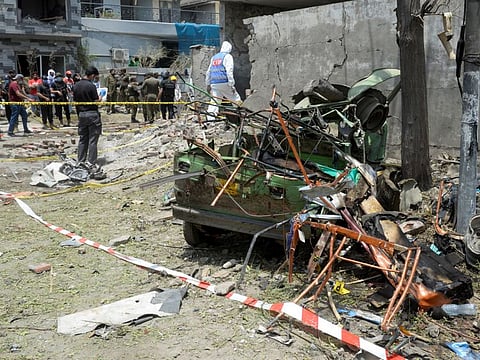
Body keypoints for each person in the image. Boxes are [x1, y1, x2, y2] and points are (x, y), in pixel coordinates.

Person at [205, 41, 241, 120]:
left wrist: (208, 84)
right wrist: (231, 84)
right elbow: (229, 71)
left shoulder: (214, 57)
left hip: (214, 84)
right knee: (235, 98)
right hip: (224, 82)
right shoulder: (227, 56)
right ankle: (240, 114)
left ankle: (210, 118)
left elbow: (208, 72)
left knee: (215, 101)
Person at [72, 66, 102, 165]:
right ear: (92, 75)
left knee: (82, 139)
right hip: (92, 114)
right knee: (93, 140)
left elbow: (75, 101)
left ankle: (81, 161)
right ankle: (91, 162)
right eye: (95, 77)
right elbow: (95, 101)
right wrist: (100, 99)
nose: (95, 79)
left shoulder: (76, 85)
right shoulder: (91, 86)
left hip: (81, 114)